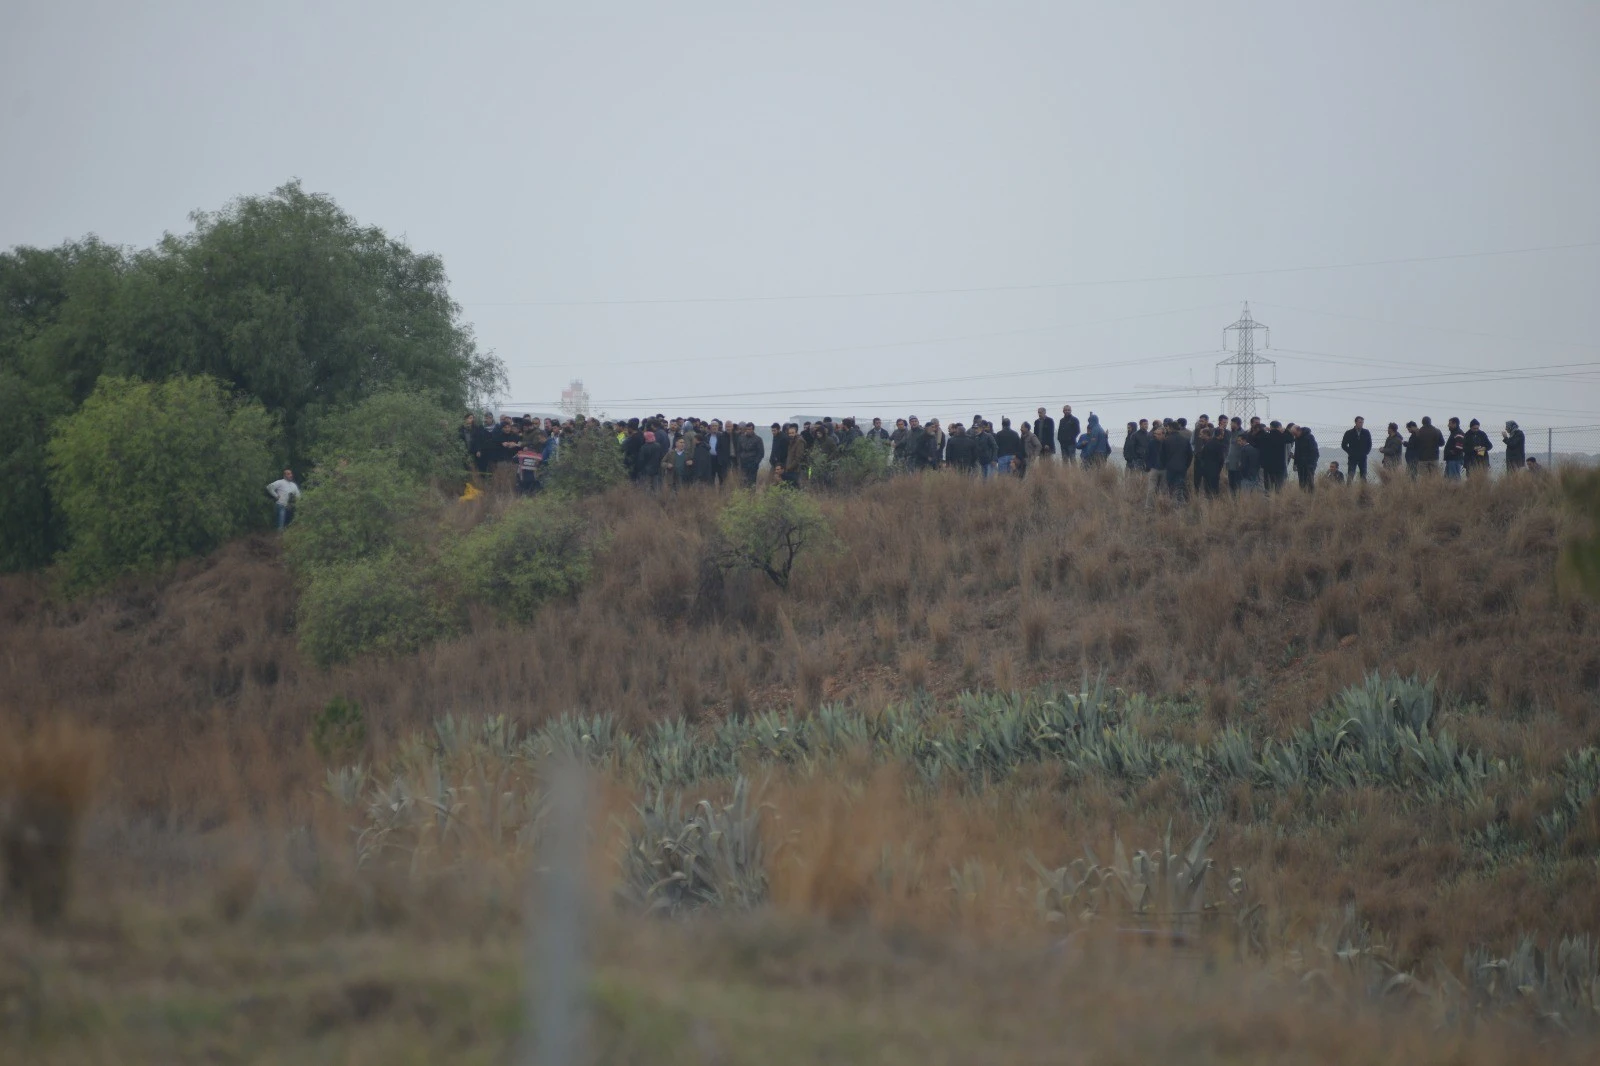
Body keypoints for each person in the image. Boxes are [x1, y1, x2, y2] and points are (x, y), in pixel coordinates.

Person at [1260, 421, 1291, 492]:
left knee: (1268, 488)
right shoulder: (1282, 436)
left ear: (1270, 427)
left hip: (1267, 466)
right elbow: (1291, 438)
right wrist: (1285, 431)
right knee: (1279, 488)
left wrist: (1263, 430)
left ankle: (1268, 501)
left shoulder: (1265, 436)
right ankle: (1278, 501)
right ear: (1279, 427)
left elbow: (1254, 438)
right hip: (1280, 466)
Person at [1341, 417, 1372, 482]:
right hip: (1352, 457)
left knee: (1363, 475)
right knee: (1351, 475)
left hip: (1362, 457)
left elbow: (1369, 444)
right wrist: (1350, 452)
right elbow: (1343, 445)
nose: (1361, 424)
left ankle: (1364, 490)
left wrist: (1365, 453)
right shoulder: (1349, 433)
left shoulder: (1366, 432)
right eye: (1360, 422)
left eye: (1362, 422)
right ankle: (1349, 490)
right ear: (1356, 422)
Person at [1292, 425, 1320, 491]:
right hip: (1300, 465)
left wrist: (1311, 464)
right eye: (1293, 434)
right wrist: (1295, 463)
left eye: (1295, 434)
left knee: (1309, 483)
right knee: (1302, 483)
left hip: (1309, 464)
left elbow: (1315, 452)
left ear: (1299, 430)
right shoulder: (1297, 439)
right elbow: (1297, 451)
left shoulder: (1309, 437)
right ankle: (1303, 497)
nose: (1294, 436)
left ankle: (1311, 498)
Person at [735, 422, 765, 486]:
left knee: (751, 483)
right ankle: (743, 495)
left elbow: (761, 453)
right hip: (743, 464)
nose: (748, 431)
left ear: (753, 430)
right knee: (742, 482)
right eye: (747, 429)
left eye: (749, 429)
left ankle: (751, 496)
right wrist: (739, 461)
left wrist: (755, 463)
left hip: (752, 464)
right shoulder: (741, 438)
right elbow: (738, 451)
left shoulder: (758, 439)